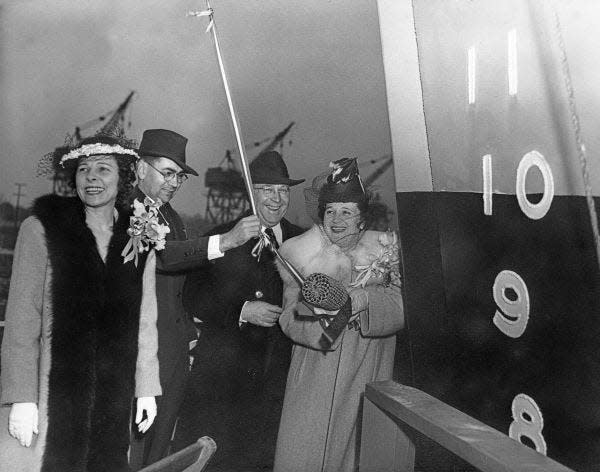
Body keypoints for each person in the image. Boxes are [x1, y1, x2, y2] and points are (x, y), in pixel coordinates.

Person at [0, 133, 161, 472]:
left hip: (113, 396)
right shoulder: (42, 228)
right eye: (83, 169)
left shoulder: (138, 235)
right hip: (49, 392)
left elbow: (145, 320)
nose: (91, 178)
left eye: (104, 169)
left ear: (124, 178)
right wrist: (22, 397)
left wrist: (146, 388)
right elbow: (21, 319)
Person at [129, 129, 261, 469]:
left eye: (180, 177)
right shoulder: (123, 208)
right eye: (168, 172)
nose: (175, 183)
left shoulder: (170, 216)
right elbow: (165, 257)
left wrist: (196, 327)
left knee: (159, 450)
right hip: (139, 355)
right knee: (132, 449)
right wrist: (225, 241)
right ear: (142, 168)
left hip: (174, 351)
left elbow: (183, 282)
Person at [273, 157, 404, 472]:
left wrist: (363, 301)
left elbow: (403, 307)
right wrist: (319, 315)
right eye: (330, 210)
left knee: (354, 458)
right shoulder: (301, 256)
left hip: (364, 374)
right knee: (302, 456)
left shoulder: (385, 255)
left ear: (362, 218)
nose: (337, 218)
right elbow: (288, 316)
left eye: (347, 211)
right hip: (313, 378)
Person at [176, 151, 305, 469]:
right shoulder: (219, 237)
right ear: (251, 194)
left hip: (277, 384)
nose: (276, 200)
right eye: (267, 190)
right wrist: (242, 310)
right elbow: (193, 296)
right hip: (222, 383)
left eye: (283, 191)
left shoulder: (304, 241)